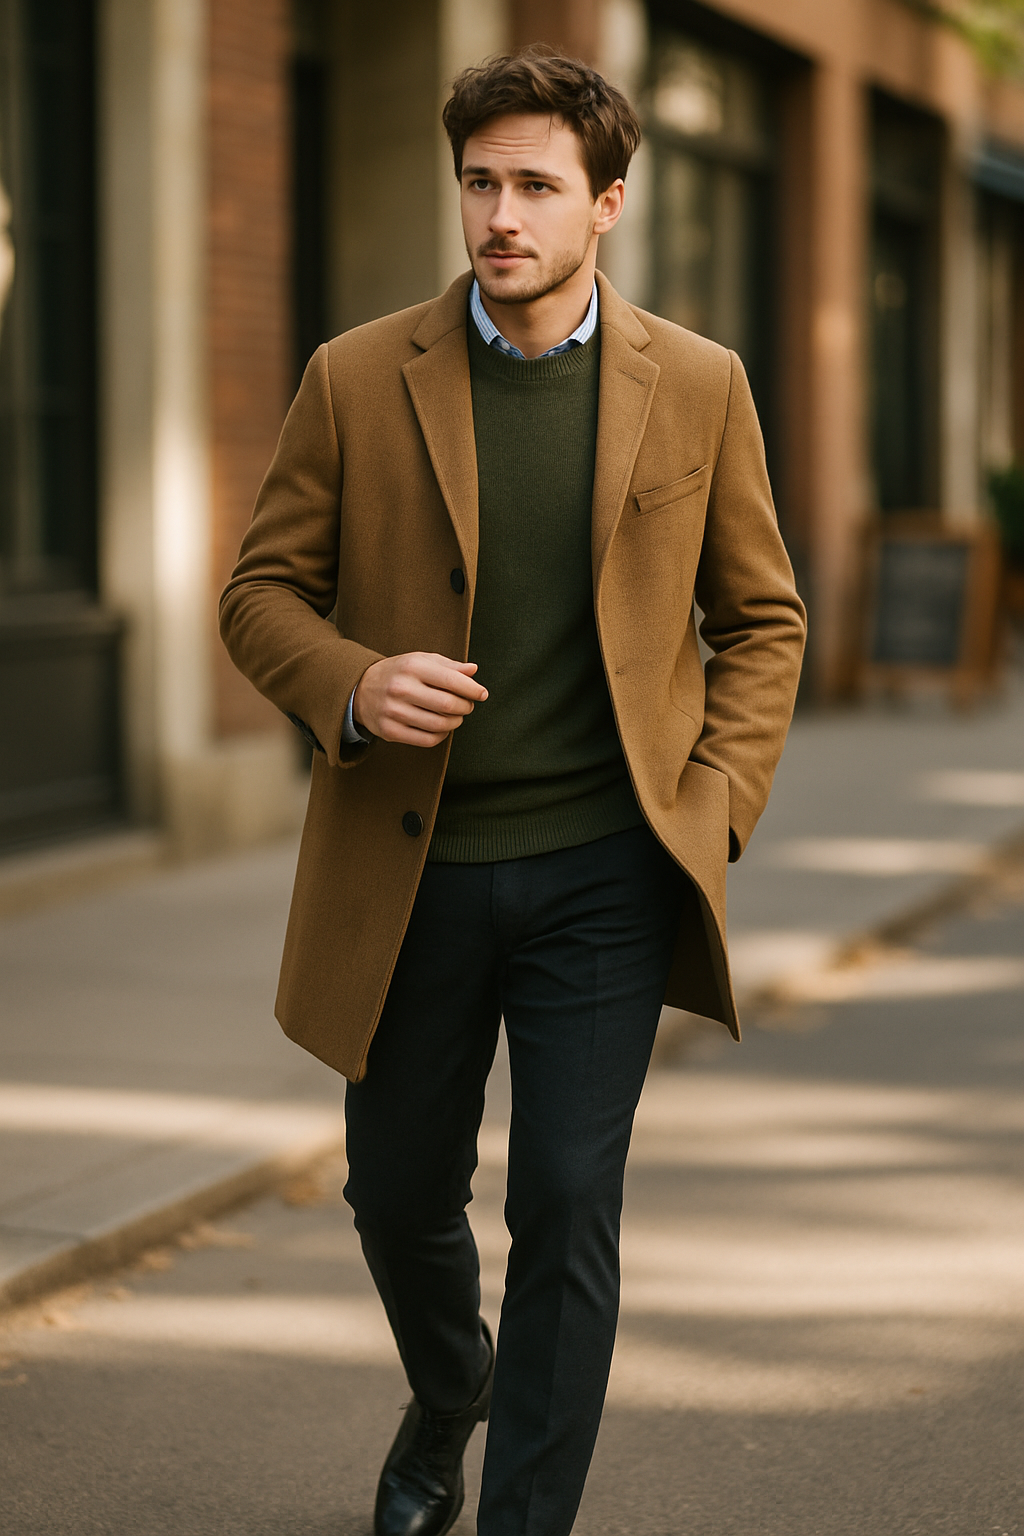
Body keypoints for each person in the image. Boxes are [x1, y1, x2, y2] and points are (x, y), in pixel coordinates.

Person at [220, 45, 806, 1536]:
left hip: (608, 866)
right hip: (408, 873)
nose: (500, 213)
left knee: (563, 1202)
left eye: (537, 185)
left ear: (606, 202)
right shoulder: (356, 377)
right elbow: (260, 595)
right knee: (398, 1195)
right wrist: (350, 682)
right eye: (480, 181)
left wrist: (714, 806)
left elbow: (764, 622)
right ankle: (448, 1388)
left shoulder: (704, 386)